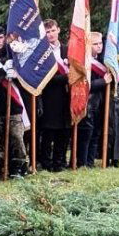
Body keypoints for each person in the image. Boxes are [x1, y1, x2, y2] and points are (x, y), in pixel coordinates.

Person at [0, 26, 29, 178]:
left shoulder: (13, 55)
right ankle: (1, 170)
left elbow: (28, 78)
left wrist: (18, 75)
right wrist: (3, 71)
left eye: (0, 38)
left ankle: (19, 168)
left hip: (13, 104)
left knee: (17, 138)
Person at [39, 19, 70, 171]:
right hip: (49, 96)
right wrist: (67, 77)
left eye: (52, 30)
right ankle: (46, 163)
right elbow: (45, 77)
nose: (50, 34)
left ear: (58, 30)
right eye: (47, 32)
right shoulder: (42, 52)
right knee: (48, 132)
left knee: (64, 132)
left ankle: (60, 162)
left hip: (66, 97)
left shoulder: (68, 50)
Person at [76, 33, 111, 167]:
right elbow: (83, 84)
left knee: (96, 133)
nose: (99, 46)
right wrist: (103, 81)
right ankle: (81, 162)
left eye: (100, 43)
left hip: (99, 102)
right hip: (87, 103)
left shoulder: (103, 61)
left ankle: (90, 163)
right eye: (95, 44)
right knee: (86, 135)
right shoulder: (83, 61)